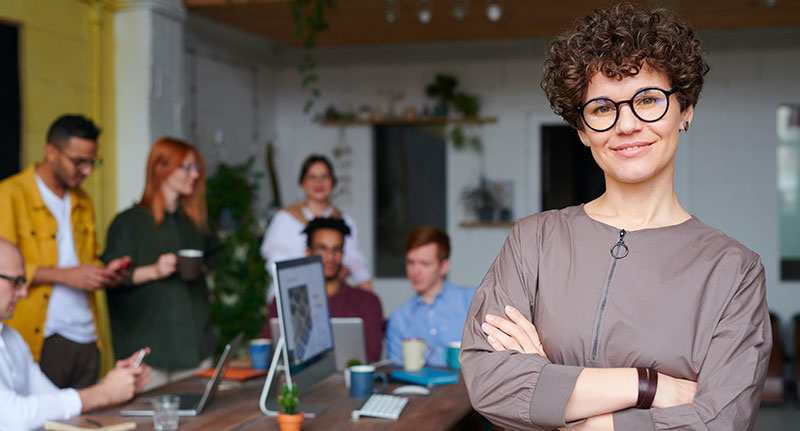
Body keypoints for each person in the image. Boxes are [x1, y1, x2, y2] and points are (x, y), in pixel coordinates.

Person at [460, 5, 771, 431]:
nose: (626, 124)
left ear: (686, 110)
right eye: (603, 108)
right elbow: (490, 384)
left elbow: (718, 423)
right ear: (583, 129)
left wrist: (553, 397)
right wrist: (650, 387)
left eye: (647, 100)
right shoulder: (534, 240)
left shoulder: (733, 270)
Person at [0, 114, 131, 389]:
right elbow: (5, 269)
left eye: (92, 162)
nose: (86, 171)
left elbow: (87, 259)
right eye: (78, 161)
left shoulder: (83, 200)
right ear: (51, 152)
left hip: (87, 335)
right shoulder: (9, 195)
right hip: (42, 336)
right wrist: (67, 276)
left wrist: (104, 272)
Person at [101, 137, 219, 389]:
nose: (195, 174)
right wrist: (154, 270)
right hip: (149, 352)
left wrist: (201, 267)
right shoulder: (128, 222)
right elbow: (110, 277)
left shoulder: (195, 222)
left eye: (197, 167)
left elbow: (215, 256)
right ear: (160, 168)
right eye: (186, 167)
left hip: (195, 345)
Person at [0, 238, 151, 431]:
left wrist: (116, 385)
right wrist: (103, 393)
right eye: (16, 282)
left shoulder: (11, 338)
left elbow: (49, 399)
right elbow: (14, 418)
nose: (24, 292)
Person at [262, 217, 384, 363]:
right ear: (308, 252)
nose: (330, 257)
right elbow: (268, 354)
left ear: (343, 254)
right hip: (299, 382)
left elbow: (371, 358)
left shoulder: (367, 302)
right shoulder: (284, 301)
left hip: (347, 383)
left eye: (336, 249)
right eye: (322, 248)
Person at [260, 154, 372, 293]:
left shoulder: (343, 221)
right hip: (290, 293)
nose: (319, 182)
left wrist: (365, 284)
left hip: (331, 295)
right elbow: (275, 263)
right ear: (302, 183)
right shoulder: (285, 218)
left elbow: (355, 261)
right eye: (312, 177)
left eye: (324, 177)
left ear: (332, 182)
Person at [386, 227, 475, 368]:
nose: (415, 272)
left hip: (469, 388)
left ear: (444, 267)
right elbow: (397, 372)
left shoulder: (473, 301)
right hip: (419, 389)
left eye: (425, 264)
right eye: (411, 263)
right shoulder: (399, 318)